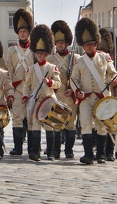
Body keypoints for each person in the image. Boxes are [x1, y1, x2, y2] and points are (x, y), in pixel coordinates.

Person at [66, 17, 117, 164]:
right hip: (86, 97)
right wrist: (77, 91)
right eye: (86, 45)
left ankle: (101, 154)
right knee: (86, 124)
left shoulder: (105, 57)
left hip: (102, 97)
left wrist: (115, 79)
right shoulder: (80, 61)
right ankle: (88, 154)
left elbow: (113, 72)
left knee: (102, 125)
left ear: (96, 44)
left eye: (91, 45)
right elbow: (73, 79)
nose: (89, 47)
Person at [22, 24, 61, 161]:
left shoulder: (52, 68)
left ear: (46, 54)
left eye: (42, 53)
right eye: (37, 53)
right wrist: (25, 96)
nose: (39, 55)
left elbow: (58, 83)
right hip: (36, 100)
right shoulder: (31, 69)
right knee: (35, 126)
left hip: (49, 100)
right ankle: (34, 152)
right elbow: (26, 86)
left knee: (49, 127)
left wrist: (50, 83)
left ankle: (50, 152)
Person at [47, 20, 79, 159]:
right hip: (56, 95)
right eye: (58, 42)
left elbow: (78, 78)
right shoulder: (50, 59)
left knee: (71, 125)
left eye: (63, 42)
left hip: (69, 94)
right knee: (56, 124)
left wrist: (72, 89)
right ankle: (55, 150)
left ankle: (69, 150)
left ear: (67, 43)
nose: (60, 44)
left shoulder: (76, 58)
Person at [97, 28, 117, 161]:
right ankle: (103, 152)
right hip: (102, 100)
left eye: (104, 51)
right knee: (102, 128)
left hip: (115, 99)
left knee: (116, 128)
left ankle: (116, 151)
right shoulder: (96, 65)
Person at [7, 8, 35, 156]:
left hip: (31, 89)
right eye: (20, 31)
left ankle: (32, 148)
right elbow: (9, 73)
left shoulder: (35, 49)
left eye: (25, 31)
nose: (22, 33)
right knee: (17, 118)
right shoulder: (12, 51)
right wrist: (10, 92)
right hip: (18, 89)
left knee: (31, 119)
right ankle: (18, 147)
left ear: (29, 32)